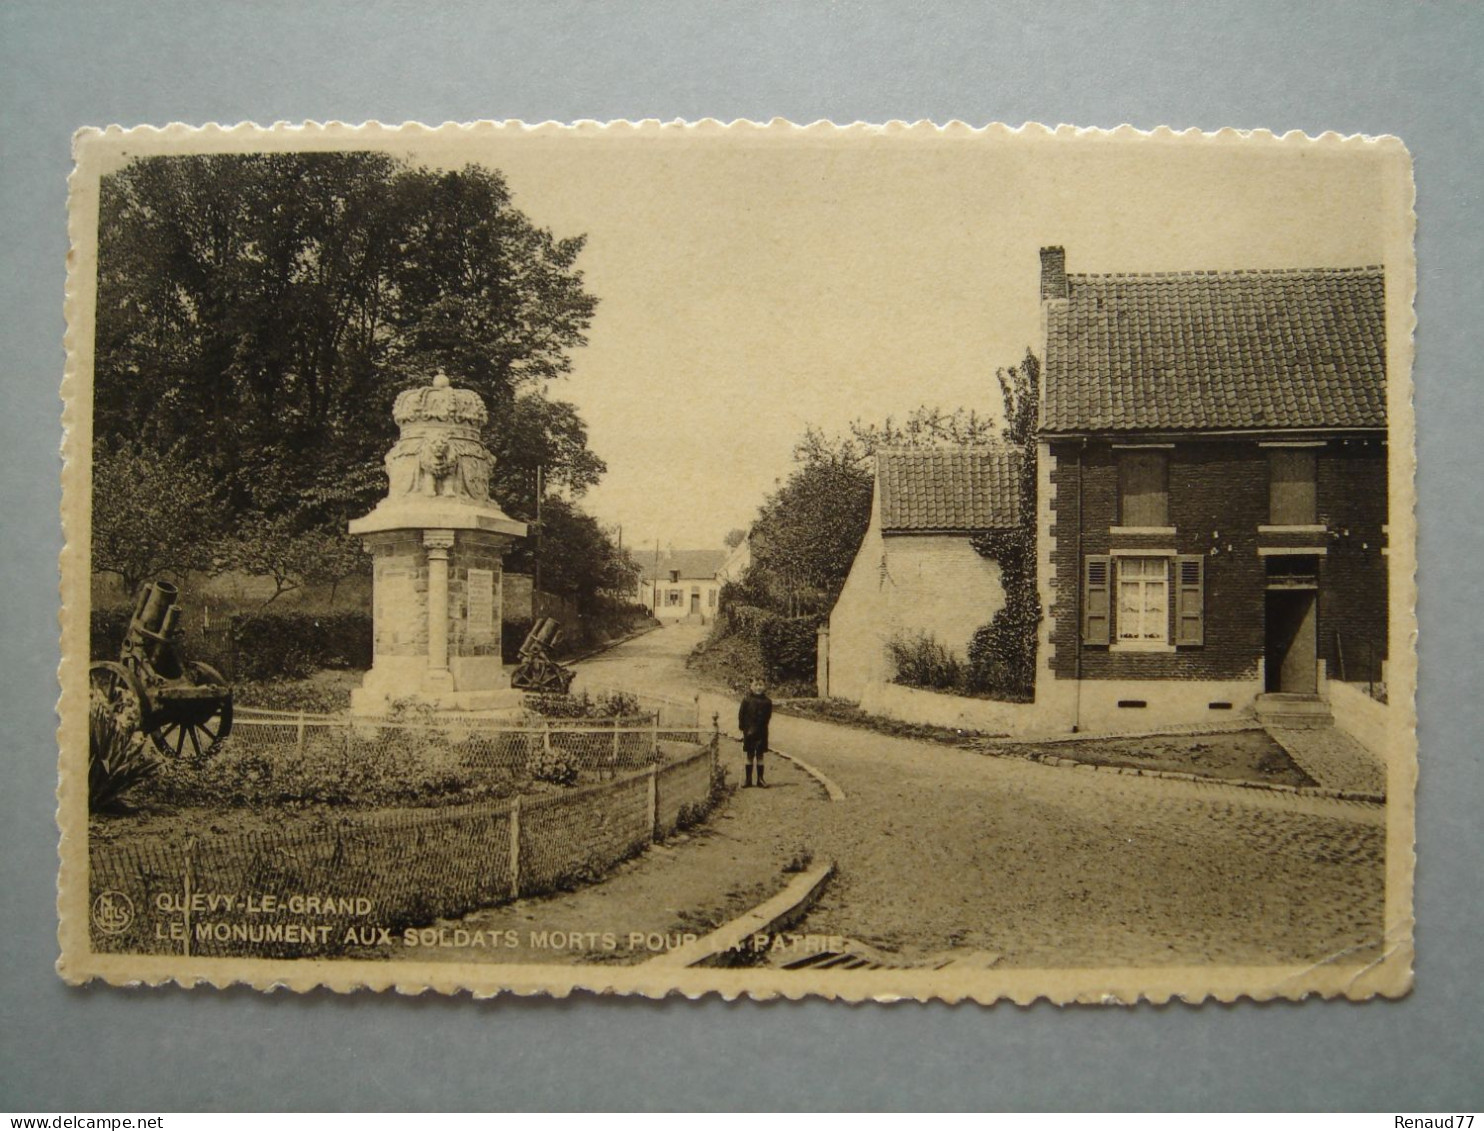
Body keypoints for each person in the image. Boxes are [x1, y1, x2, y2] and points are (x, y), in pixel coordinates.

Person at [738, 680, 773, 788]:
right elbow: (741, 716)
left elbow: (767, 717)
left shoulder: (767, 702)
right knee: (749, 755)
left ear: (764, 687)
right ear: (751, 687)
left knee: (760, 755)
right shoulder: (746, 700)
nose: (758, 687)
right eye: (756, 685)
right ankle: (748, 780)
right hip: (749, 732)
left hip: (761, 732)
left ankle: (760, 779)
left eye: (761, 685)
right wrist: (742, 729)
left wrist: (760, 727)